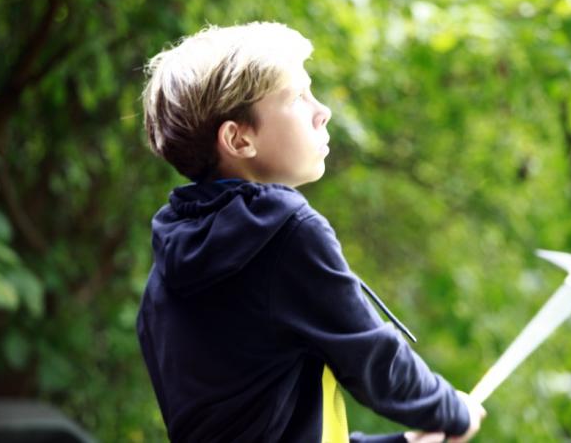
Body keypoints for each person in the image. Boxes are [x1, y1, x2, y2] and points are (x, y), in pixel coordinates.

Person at [136, 22, 486, 443]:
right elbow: (374, 359)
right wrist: (451, 410)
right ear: (239, 139)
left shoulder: (162, 281)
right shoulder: (286, 233)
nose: (323, 111)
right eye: (297, 97)